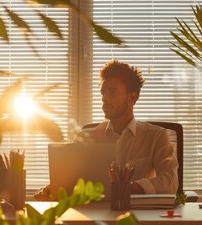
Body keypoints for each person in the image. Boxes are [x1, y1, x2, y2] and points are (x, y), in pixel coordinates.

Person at [34, 60, 178, 200]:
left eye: (112, 92)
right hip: (93, 215)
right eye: (103, 93)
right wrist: (54, 188)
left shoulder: (156, 136)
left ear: (132, 97)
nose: (105, 98)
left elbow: (170, 181)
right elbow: (72, 181)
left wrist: (130, 187)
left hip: (136, 215)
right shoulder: (86, 137)